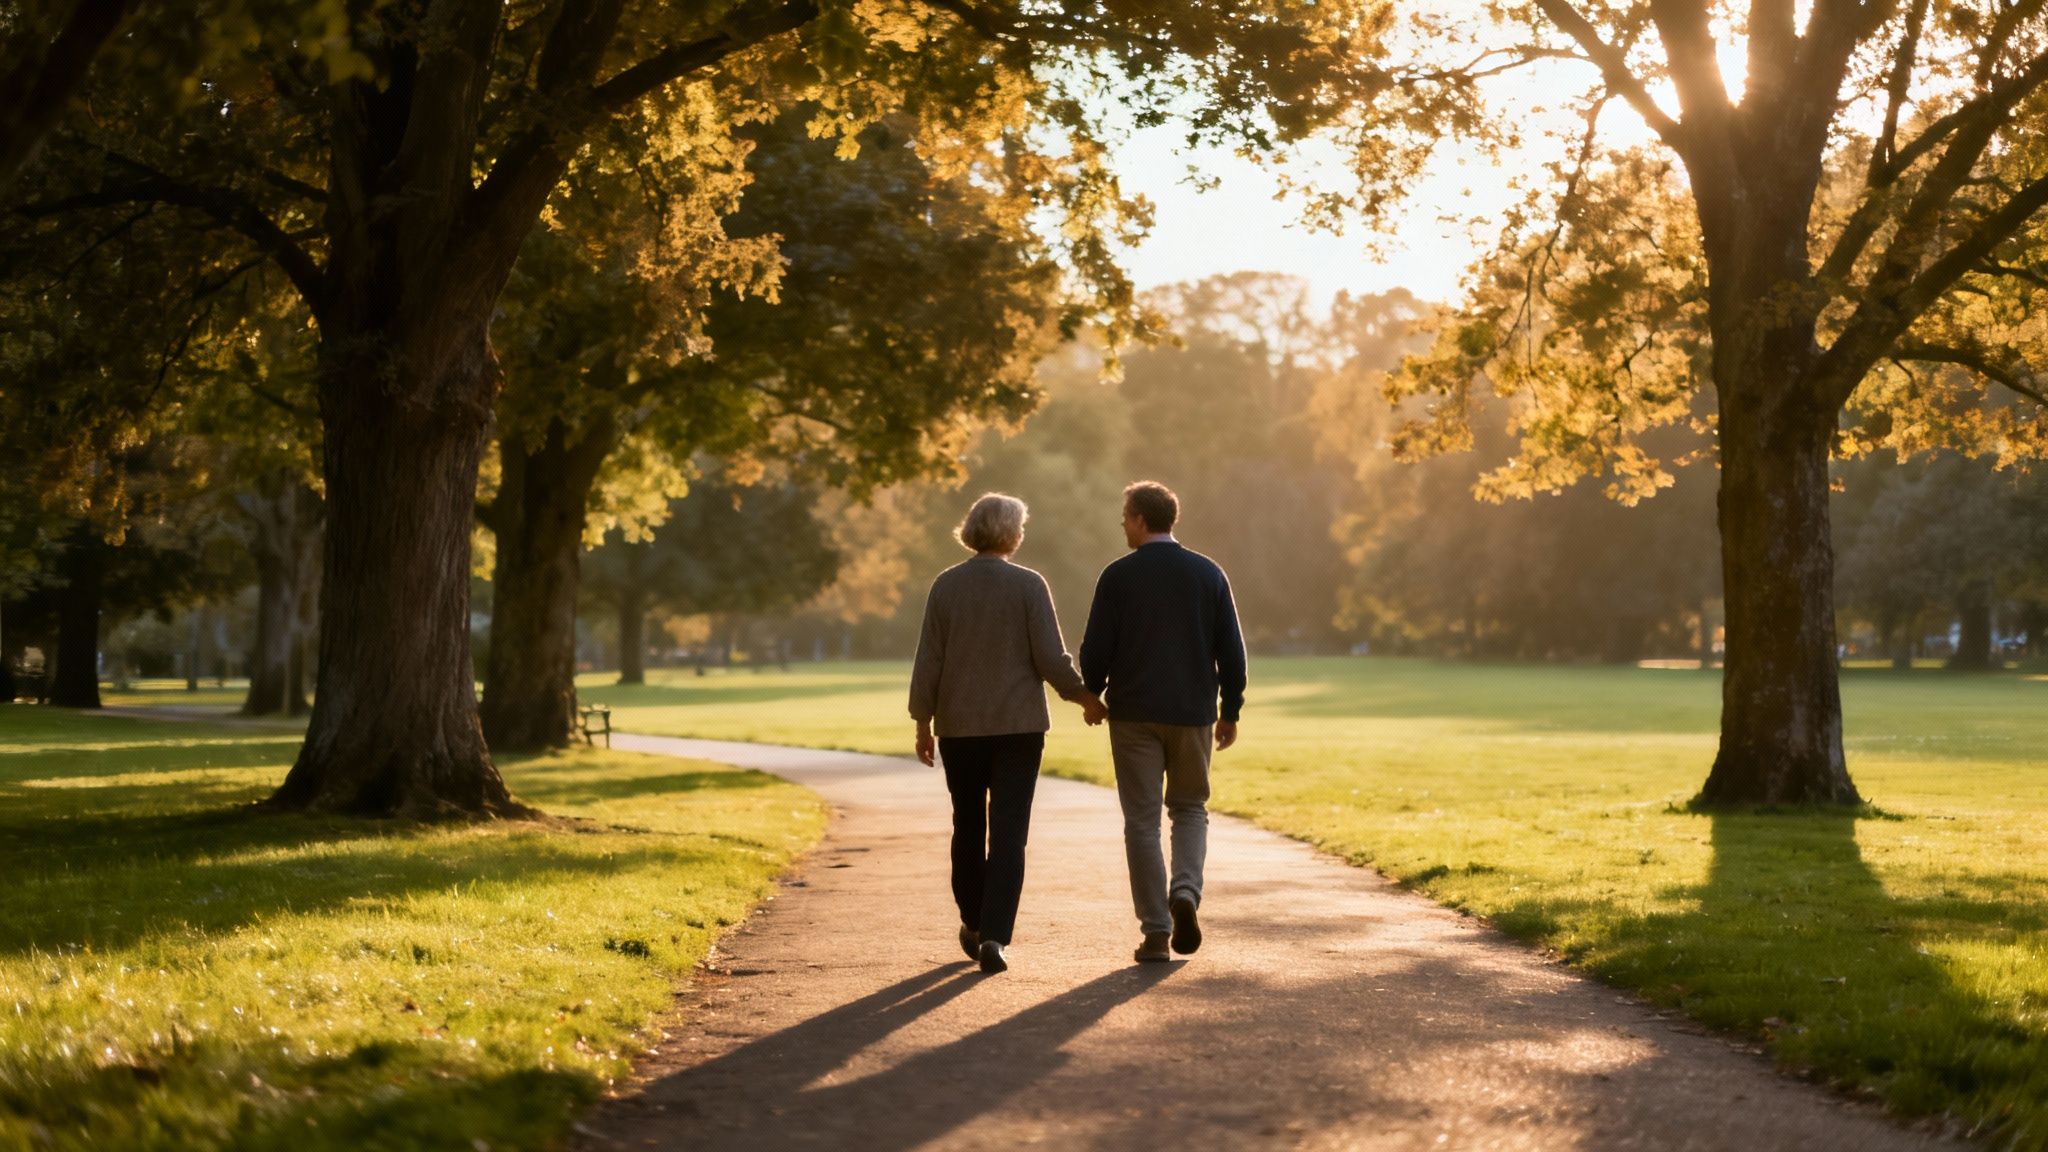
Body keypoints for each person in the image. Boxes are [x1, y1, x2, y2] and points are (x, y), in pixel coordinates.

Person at [909, 493, 1106, 974]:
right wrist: (1085, 698)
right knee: (1010, 831)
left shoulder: (946, 586)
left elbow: (929, 658)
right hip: (1019, 727)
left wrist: (922, 720)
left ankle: (974, 924)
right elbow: (1049, 656)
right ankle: (996, 934)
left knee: (968, 824)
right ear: (1013, 533)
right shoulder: (1028, 585)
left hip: (960, 727)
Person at [1079, 481, 1247, 964]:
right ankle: (1186, 894)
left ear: (1138, 519)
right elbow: (1231, 650)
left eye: (1124, 517)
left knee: (1141, 821)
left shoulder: (1118, 576)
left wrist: (1092, 692)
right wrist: (1230, 709)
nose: (1122, 526)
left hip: (1133, 715)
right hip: (1193, 712)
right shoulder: (1207, 573)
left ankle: (1156, 930)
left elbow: (1096, 648)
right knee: (1190, 808)